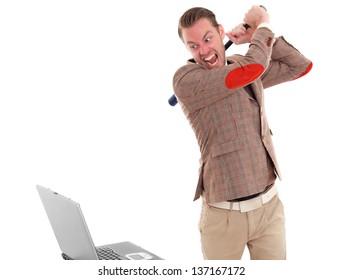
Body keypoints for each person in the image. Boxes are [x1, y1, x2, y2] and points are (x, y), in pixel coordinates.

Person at [172, 5, 312, 260]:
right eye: (193, 46)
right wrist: (263, 25)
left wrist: (255, 36)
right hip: (223, 219)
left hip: (269, 210)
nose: (203, 51)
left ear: (221, 32)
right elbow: (252, 68)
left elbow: (300, 66)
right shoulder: (187, 80)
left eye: (208, 39)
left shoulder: (243, 66)